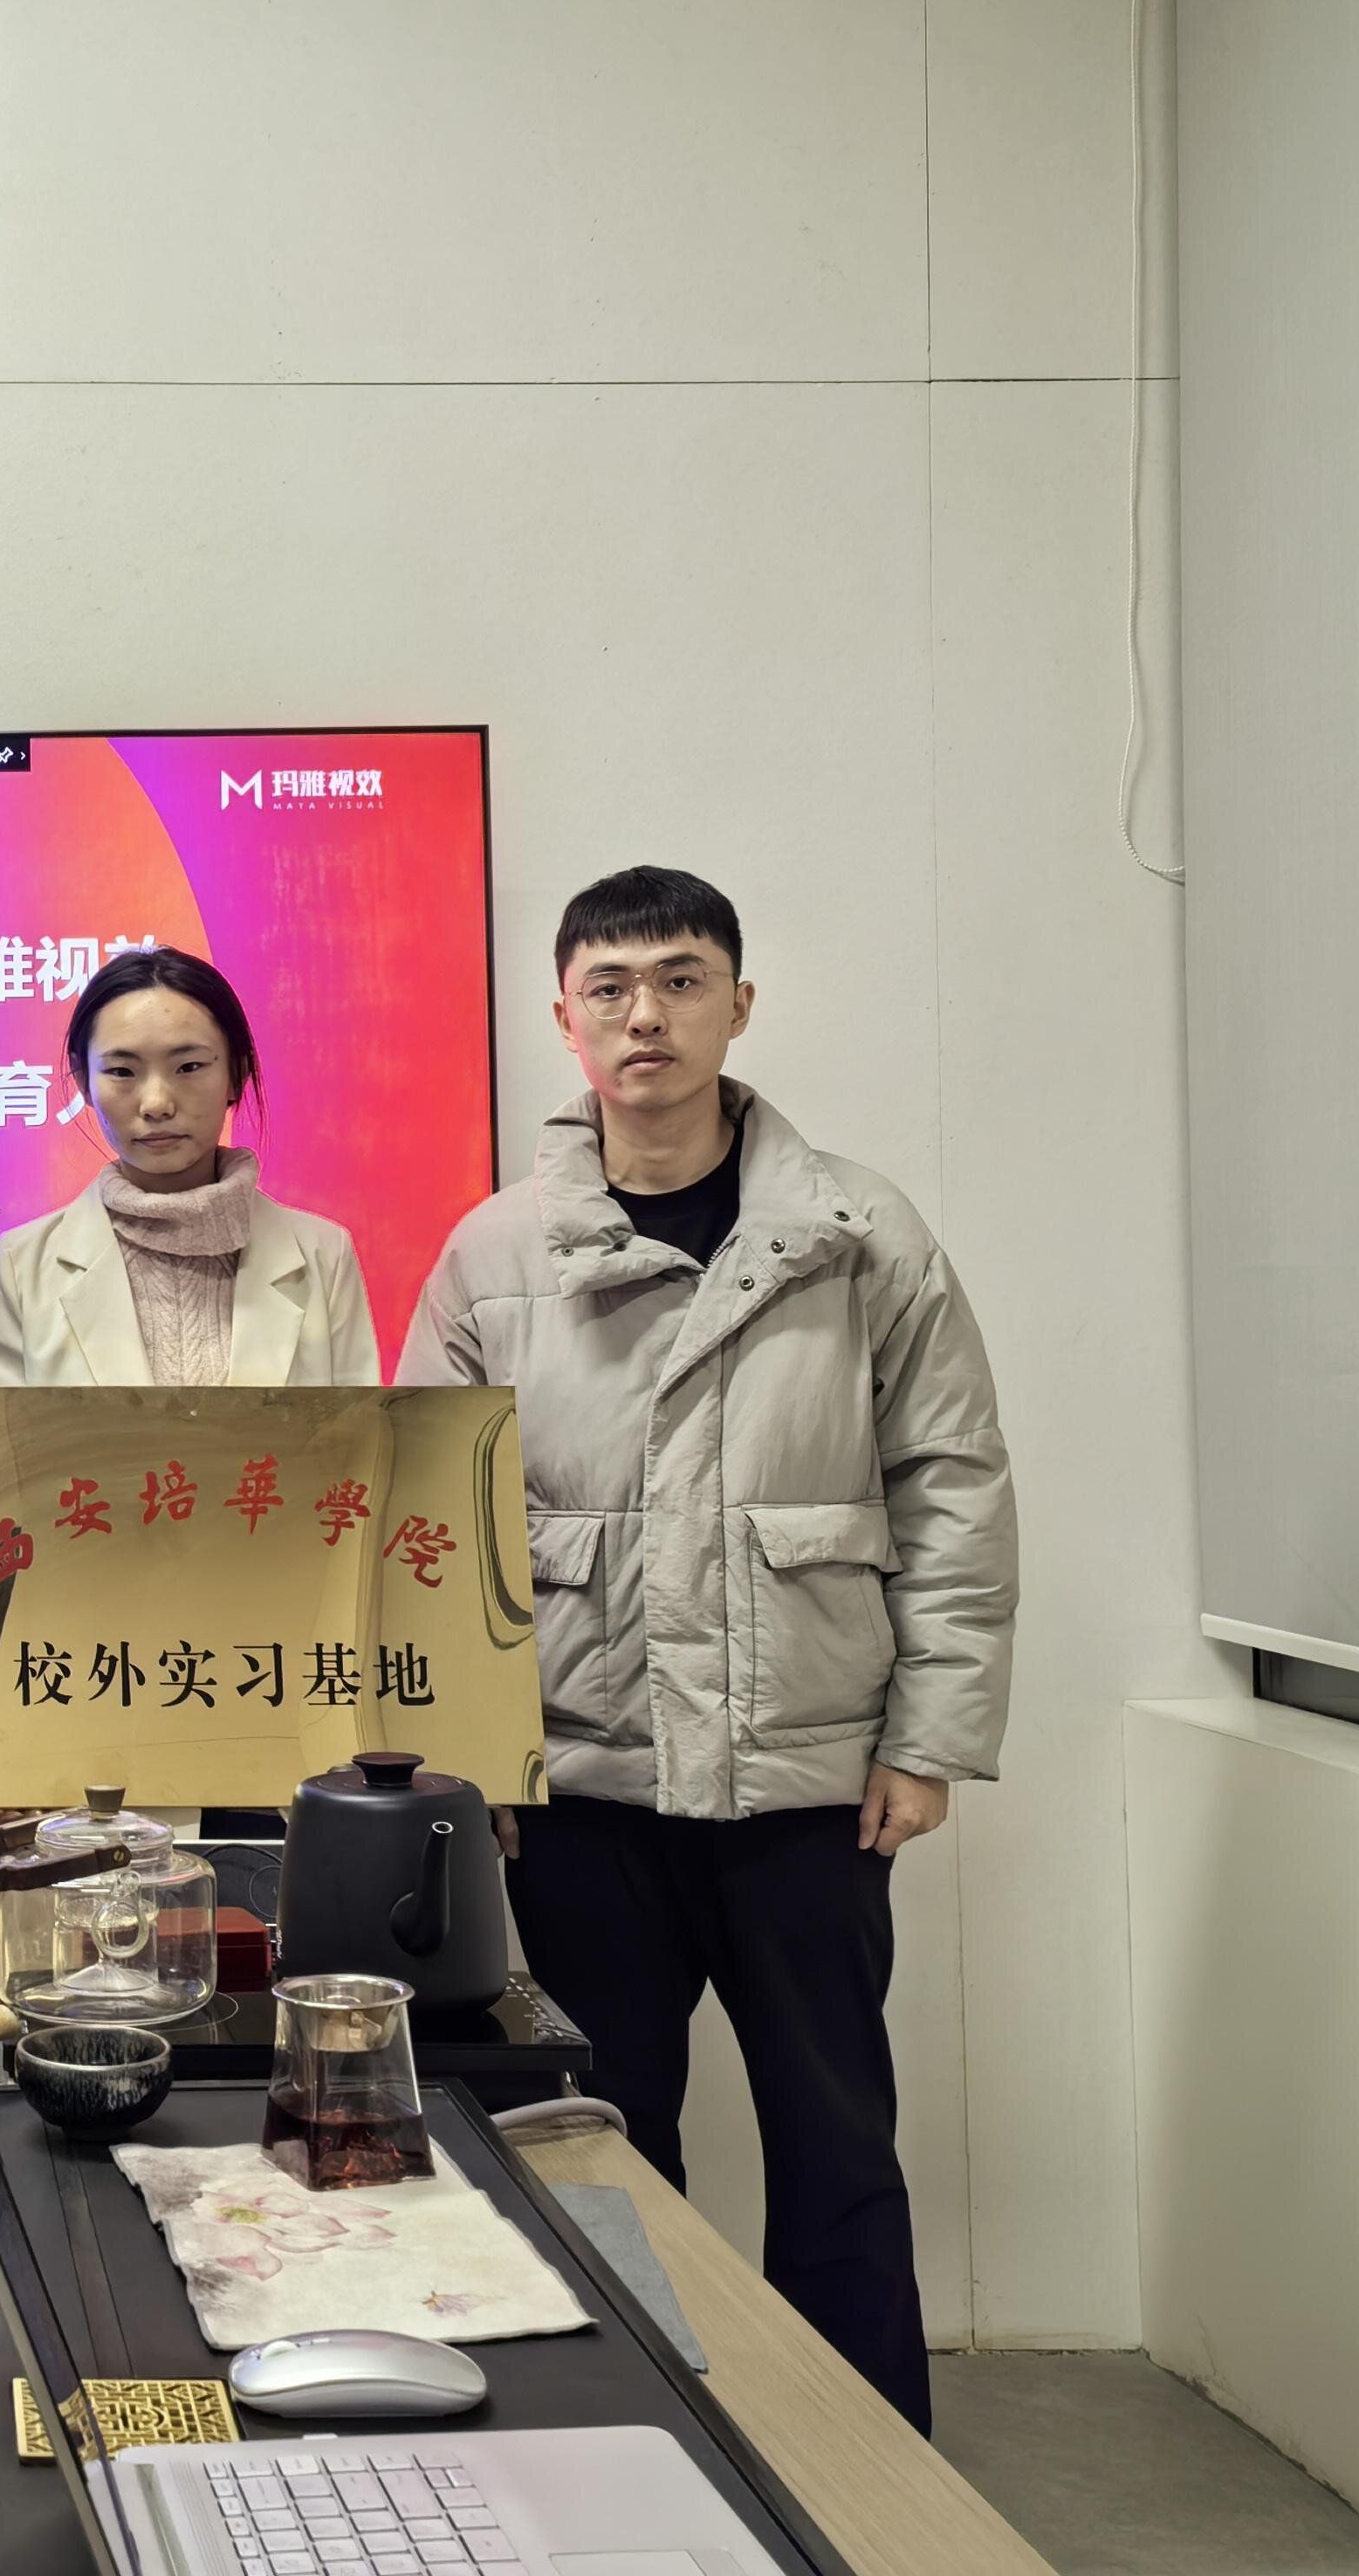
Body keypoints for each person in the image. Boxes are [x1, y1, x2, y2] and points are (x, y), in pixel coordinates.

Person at [395, 865, 1015, 2433]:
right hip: (582, 1787)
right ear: (564, 1019)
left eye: (679, 980)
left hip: (808, 1781)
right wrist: (472, 1761)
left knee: (837, 2145)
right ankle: (636, 2446)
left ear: (739, 1004)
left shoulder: (859, 1233)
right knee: (596, 2143)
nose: (645, 1016)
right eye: (609, 988)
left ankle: (872, 2468)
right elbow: (427, 1526)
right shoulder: (492, 1254)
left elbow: (951, 1481)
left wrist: (930, 1736)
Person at [0, 945, 377, 1386]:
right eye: (122, 1071)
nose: (156, 1103)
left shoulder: (323, 1257)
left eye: (189, 1066)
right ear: (83, 1082)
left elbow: (357, 1429)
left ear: (236, 1074)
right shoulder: (20, 1268)